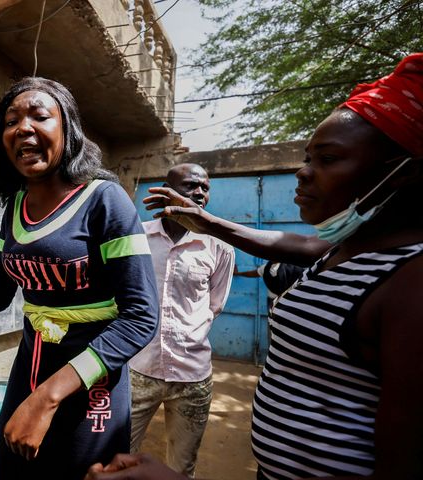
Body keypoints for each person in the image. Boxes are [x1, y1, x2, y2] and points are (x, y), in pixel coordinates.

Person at [86, 52, 423, 479]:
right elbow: (296, 244)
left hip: (191, 370)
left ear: (400, 174)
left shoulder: (410, 283)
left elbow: (214, 304)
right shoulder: (344, 250)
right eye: (306, 158)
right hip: (144, 369)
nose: (303, 173)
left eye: (328, 159)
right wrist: (208, 222)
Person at [0, 77, 160, 480]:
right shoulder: (15, 207)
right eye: (11, 121)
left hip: (91, 380)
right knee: (13, 467)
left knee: (82, 473)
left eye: (40, 115)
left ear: (68, 129)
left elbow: (141, 316)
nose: (23, 127)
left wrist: (47, 399)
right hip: (31, 366)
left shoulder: (104, 201)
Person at [128, 163, 234, 478]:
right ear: (168, 189)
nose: (200, 192)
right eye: (190, 185)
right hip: (139, 370)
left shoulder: (219, 245)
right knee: (120, 456)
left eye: (205, 187)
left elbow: (214, 304)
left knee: (182, 466)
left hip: (193, 377)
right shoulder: (139, 237)